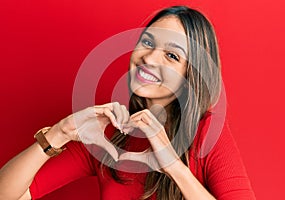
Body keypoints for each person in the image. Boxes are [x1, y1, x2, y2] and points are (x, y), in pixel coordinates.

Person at [0, 6, 256, 200]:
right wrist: (58, 133)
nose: (150, 58)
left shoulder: (206, 132)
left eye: (171, 55)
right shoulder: (107, 132)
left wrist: (173, 166)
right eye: (147, 42)